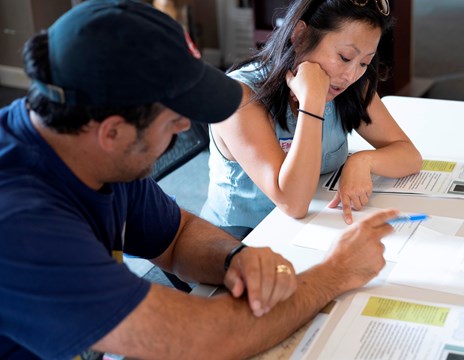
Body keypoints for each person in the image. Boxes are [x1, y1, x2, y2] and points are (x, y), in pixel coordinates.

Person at [0, 1, 400, 359]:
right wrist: (336, 273)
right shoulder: (22, 222)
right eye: (174, 121)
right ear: (113, 132)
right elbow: (199, 340)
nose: (184, 131)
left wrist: (234, 259)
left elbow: (175, 235)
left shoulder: (97, 156)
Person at [200, 0, 423, 239]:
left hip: (307, 231)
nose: (350, 75)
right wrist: (312, 103)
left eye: (364, 62)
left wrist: (363, 161)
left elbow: (410, 156)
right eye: (345, 57)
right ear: (300, 37)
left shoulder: (351, 84)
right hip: (237, 242)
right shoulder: (241, 96)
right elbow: (293, 204)